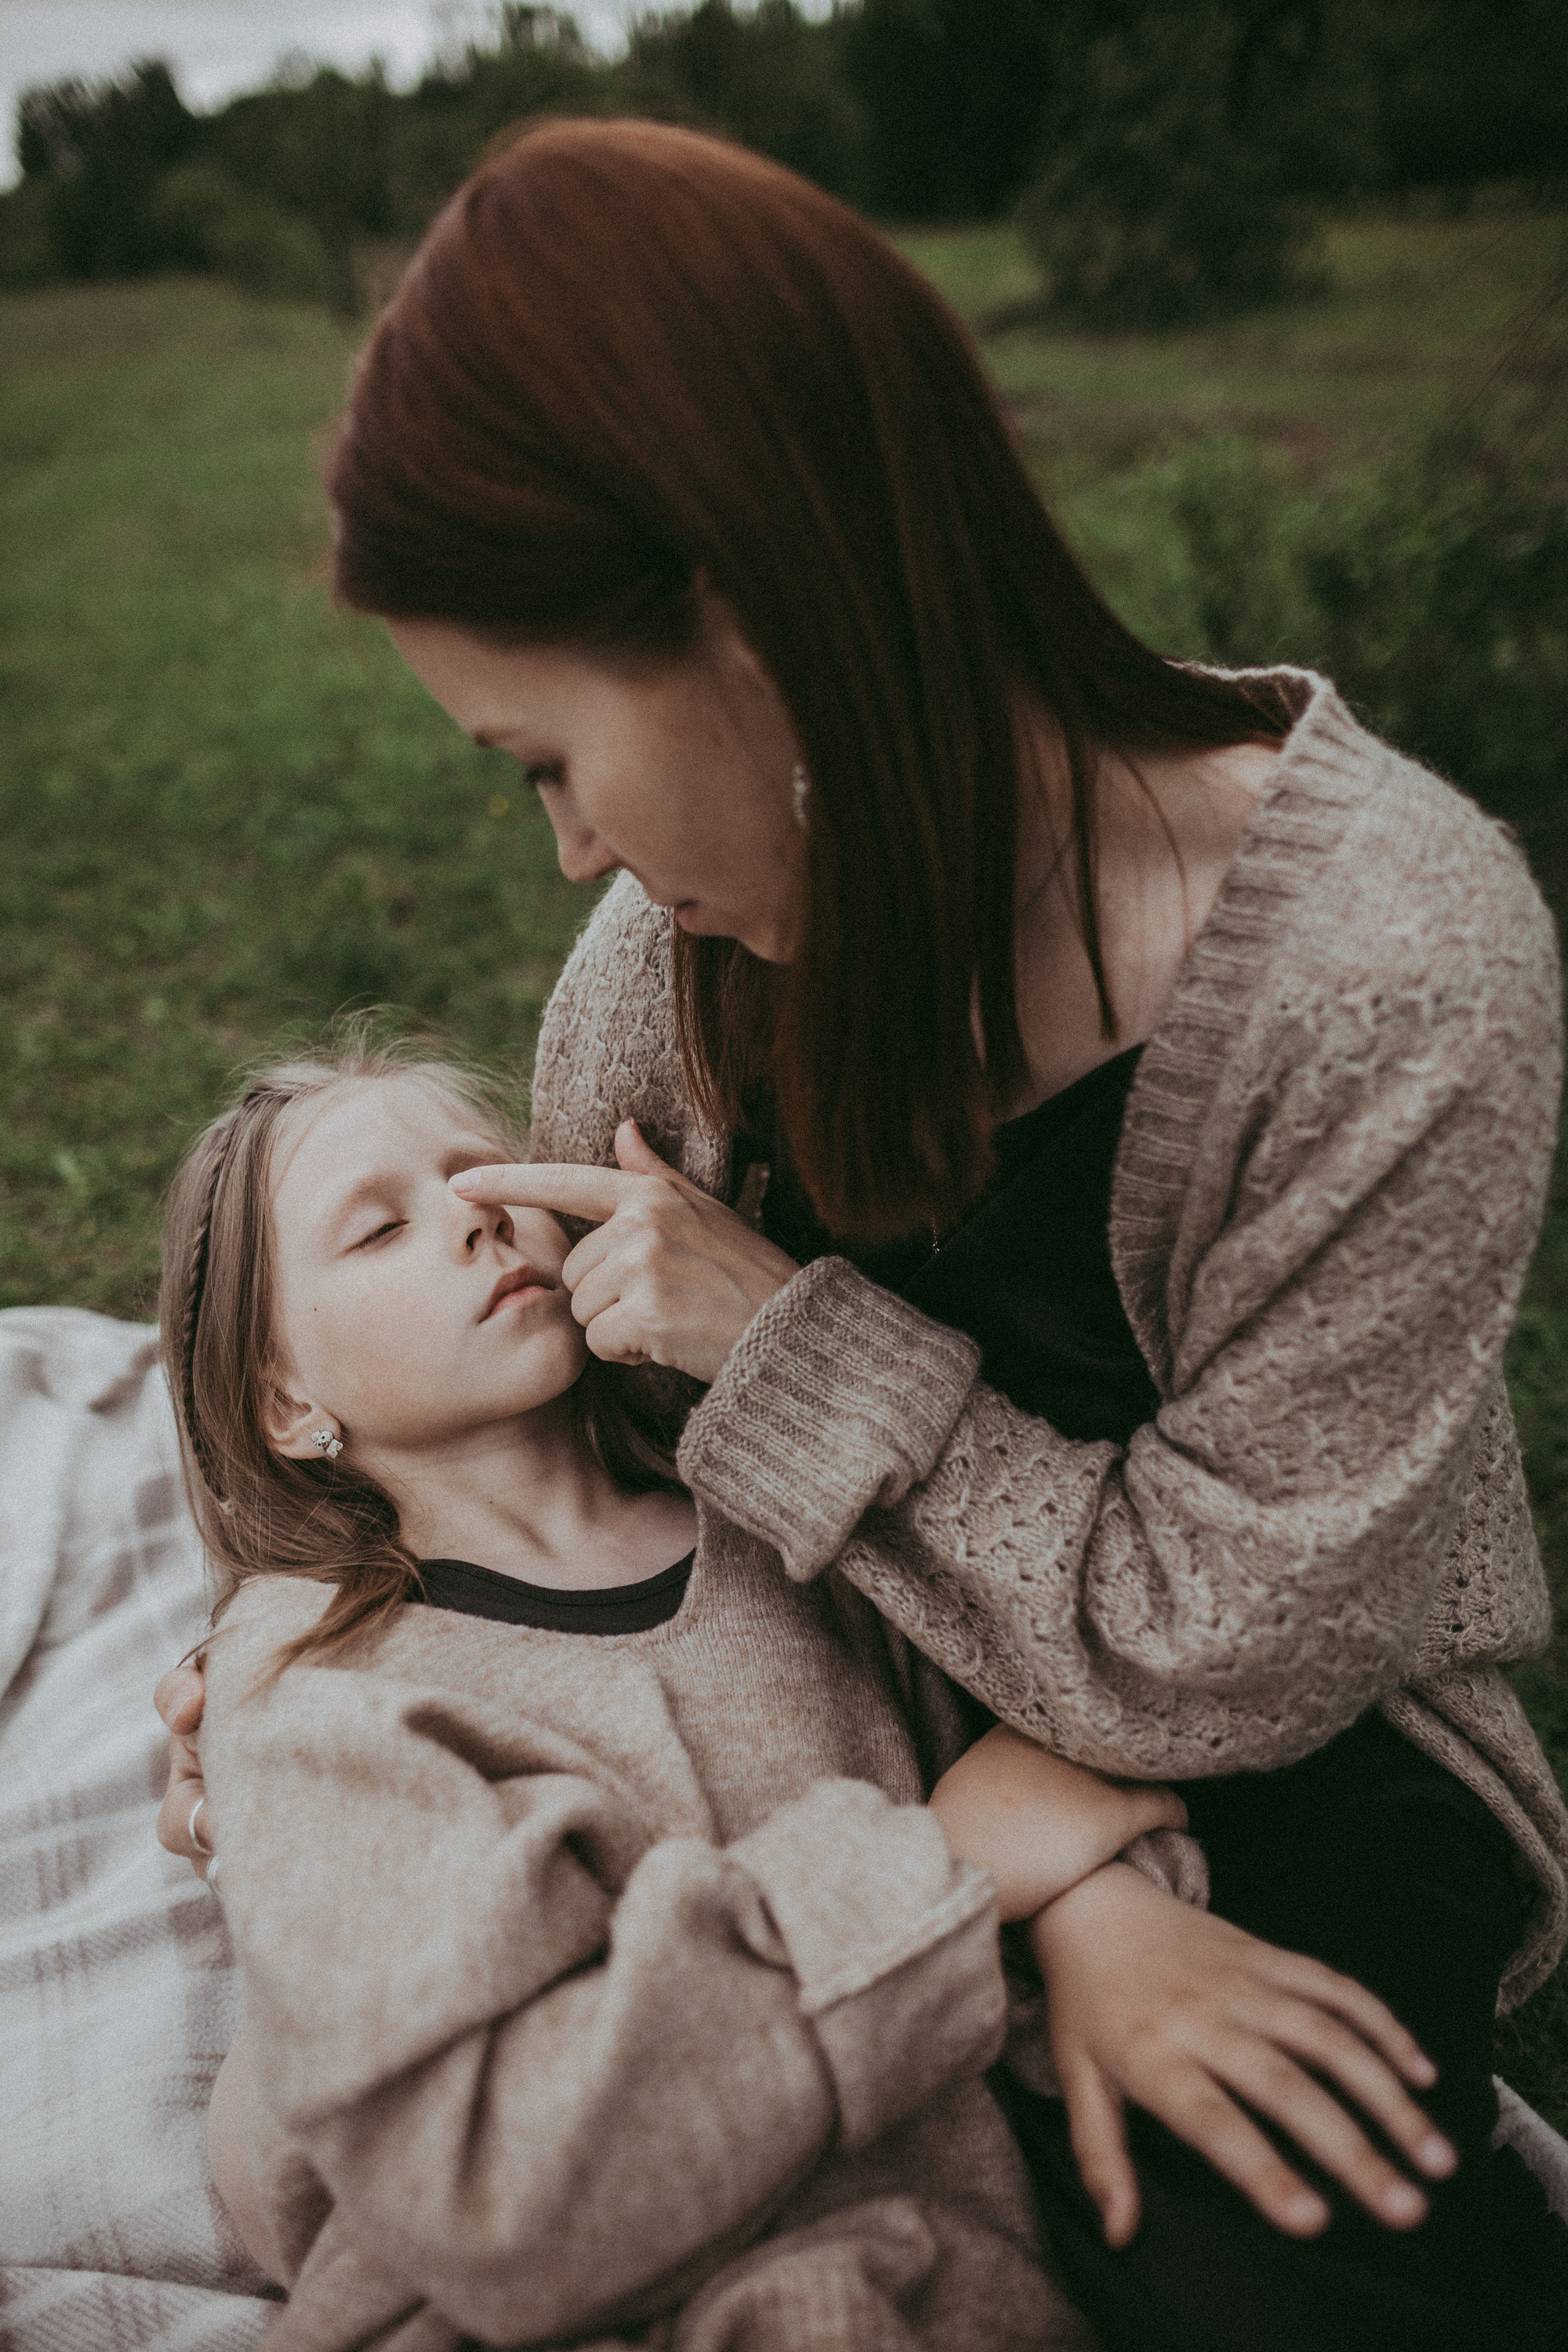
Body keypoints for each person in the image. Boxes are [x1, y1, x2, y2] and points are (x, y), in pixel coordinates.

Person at [158, 118, 1568, 2350]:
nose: (564, 854)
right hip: (896, 1769)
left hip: (1285, 1744)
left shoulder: (1393, 976)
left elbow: (1236, 1650)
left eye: (548, 757)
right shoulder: (658, 975)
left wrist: (790, 1347)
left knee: (1251, 2264)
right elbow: (610, 1499)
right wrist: (315, 1650)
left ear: (752, 620)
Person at [164, 1040, 1437, 2352]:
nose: (478, 1213)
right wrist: (941, 1873)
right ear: (286, 1401)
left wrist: (1099, 1906)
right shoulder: (326, 1698)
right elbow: (498, 2196)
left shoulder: (772, 1519)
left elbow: (1033, 1749)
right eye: (377, 1230)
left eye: (484, 1172)